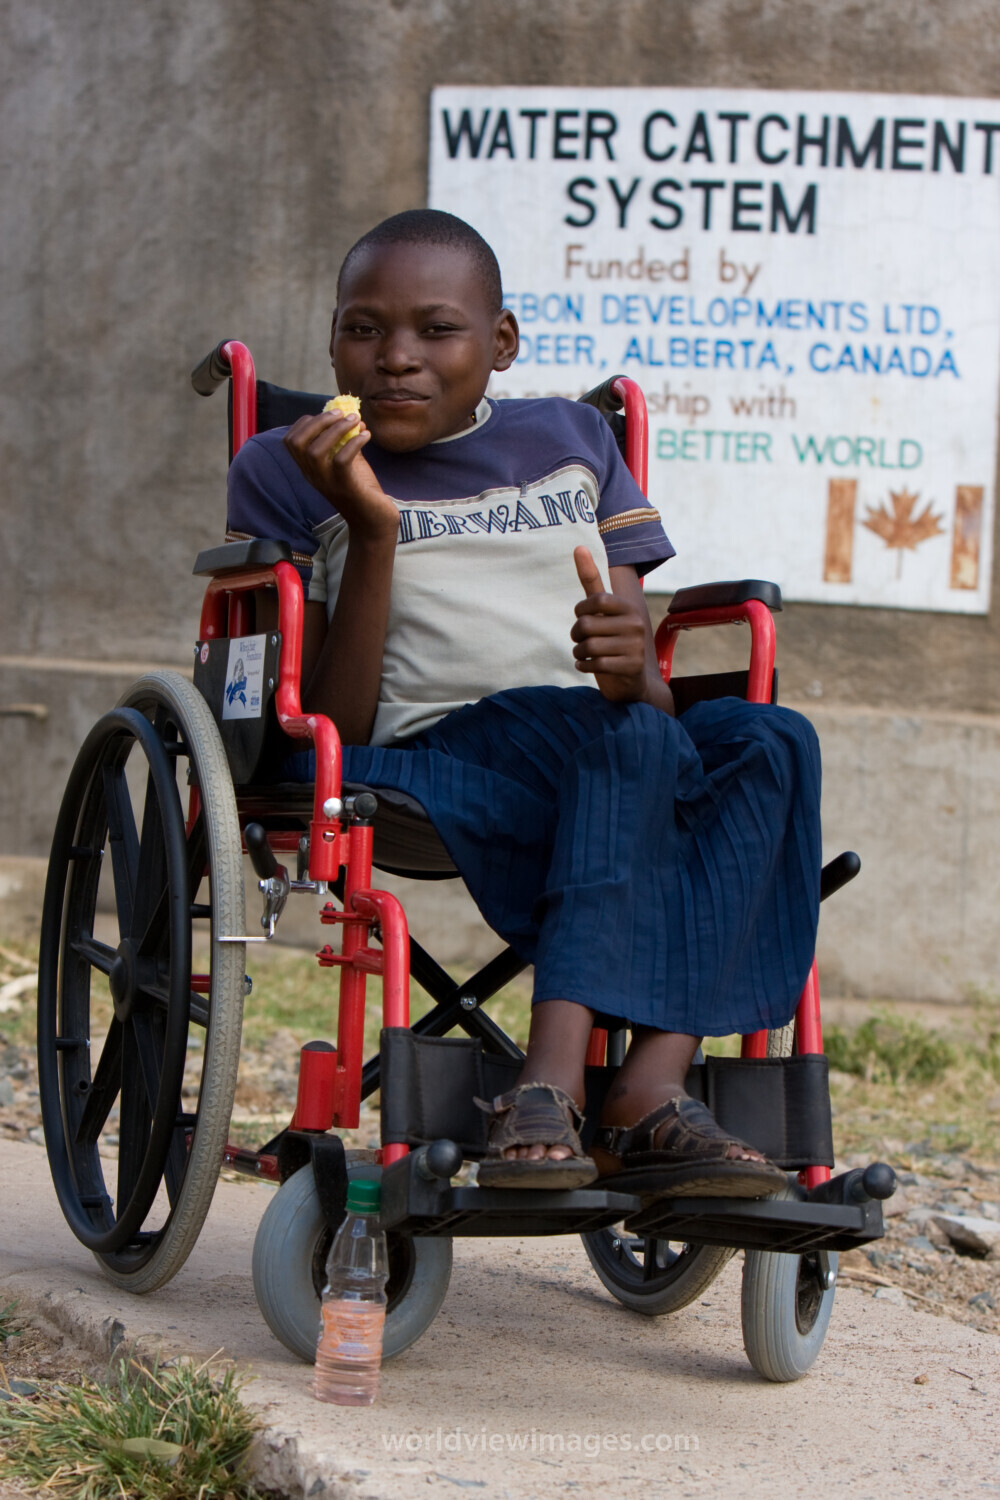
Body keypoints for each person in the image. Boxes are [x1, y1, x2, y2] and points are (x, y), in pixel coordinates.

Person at [226, 209, 821, 1198]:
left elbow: (642, 694)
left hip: (603, 750)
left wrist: (634, 672)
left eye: (435, 329)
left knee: (770, 738)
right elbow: (335, 724)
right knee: (613, 734)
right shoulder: (296, 465)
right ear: (332, 341)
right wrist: (372, 533)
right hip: (417, 762)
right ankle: (549, 1082)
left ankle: (651, 1084)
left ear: (500, 344)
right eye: (363, 329)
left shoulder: (573, 437)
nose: (396, 359)